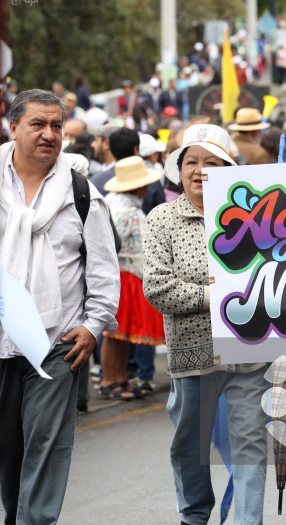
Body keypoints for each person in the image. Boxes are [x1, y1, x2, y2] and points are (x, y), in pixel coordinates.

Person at [0, 89, 119, 523]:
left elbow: (104, 271)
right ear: (13, 128)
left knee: (46, 447)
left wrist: (92, 326)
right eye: (37, 124)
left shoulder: (80, 191)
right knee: (9, 451)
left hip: (55, 341)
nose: (49, 134)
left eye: (55, 126)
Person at [142, 124, 269, 525]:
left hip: (250, 351)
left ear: (228, 169)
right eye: (191, 161)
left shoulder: (254, 215)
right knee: (189, 447)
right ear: (178, 169)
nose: (200, 170)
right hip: (192, 355)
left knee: (251, 444)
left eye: (211, 163)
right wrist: (218, 295)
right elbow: (159, 288)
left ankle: (249, 520)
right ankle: (194, 516)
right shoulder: (162, 218)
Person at [99, 156, 166, 398]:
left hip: (126, 274)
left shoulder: (118, 204)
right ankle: (109, 381)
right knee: (115, 334)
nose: (148, 187)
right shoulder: (124, 209)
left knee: (122, 334)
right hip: (123, 275)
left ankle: (118, 379)